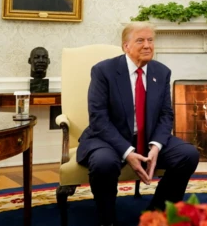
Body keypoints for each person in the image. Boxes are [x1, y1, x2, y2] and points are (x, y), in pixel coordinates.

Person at [76, 22, 200, 226]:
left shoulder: (161, 72)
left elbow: (165, 114)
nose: (147, 45)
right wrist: (127, 151)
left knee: (188, 154)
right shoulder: (103, 71)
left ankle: (158, 213)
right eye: (140, 40)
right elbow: (98, 118)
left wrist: (156, 146)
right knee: (103, 163)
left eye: (150, 40)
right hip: (108, 138)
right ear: (126, 46)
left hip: (147, 136)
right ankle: (107, 220)